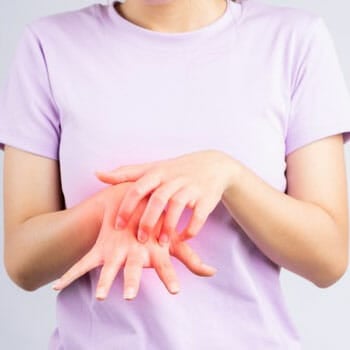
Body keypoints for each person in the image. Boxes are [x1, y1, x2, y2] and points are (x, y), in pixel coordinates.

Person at [1, 0, 350, 348]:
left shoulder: (294, 41)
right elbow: (23, 263)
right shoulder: (49, 45)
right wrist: (118, 207)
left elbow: (327, 258)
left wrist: (229, 176)